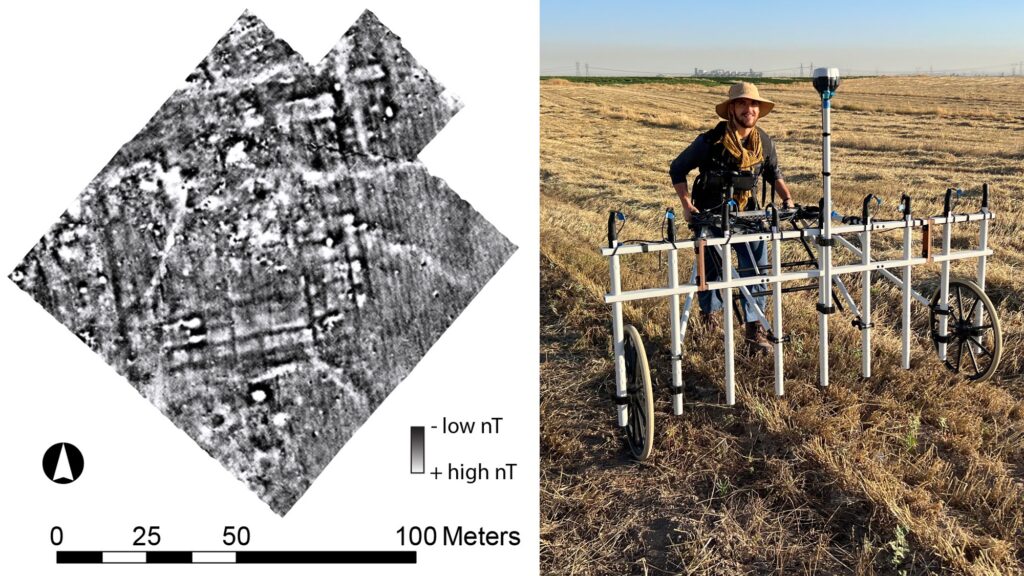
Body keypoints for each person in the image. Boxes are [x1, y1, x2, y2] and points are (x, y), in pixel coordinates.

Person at [669, 81, 795, 355]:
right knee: (710, 269)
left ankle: (755, 330)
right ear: (731, 110)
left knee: (757, 268)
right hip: (711, 215)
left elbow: (774, 173)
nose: (748, 109)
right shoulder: (710, 141)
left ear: (759, 110)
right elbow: (677, 168)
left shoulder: (763, 142)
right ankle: (710, 320)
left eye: (753, 104)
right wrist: (687, 204)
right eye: (742, 103)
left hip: (747, 213)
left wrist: (787, 198)